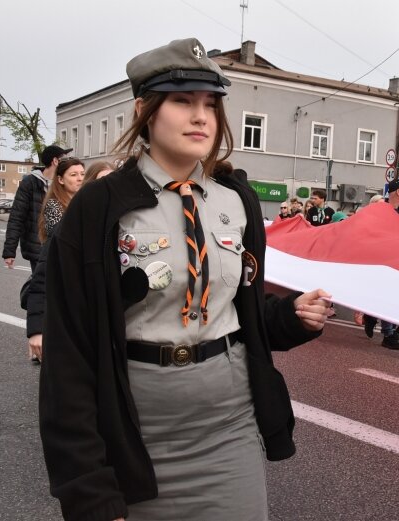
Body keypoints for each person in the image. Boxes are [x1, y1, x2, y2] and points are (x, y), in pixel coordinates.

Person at [38, 37, 332, 521]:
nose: (201, 117)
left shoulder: (236, 200)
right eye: (182, 101)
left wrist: (292, 316)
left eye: (210, 104)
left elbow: (240, 309)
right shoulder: (99, 206)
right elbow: (70, 351)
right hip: (132, 426)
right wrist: (87, 489)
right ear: (145, 110)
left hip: (227, 424)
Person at [25, 158, 85, 364]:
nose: (79, 179)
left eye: (82, 174)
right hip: (57, 268)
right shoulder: (54, 205)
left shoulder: (82, 202)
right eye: (73, 174)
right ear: (60, 179)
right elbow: (61, 243)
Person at [2, 144, 72, 272]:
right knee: (42, 286)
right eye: (65, 159)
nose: (68, 162)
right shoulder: (30, 183)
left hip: (61, 246)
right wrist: (9, 251)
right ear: (55, 161)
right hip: (38, 247)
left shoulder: (64, 183)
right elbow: (17, 217)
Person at [363, 178, 399, 349]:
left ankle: (372, 318)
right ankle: (388, 334)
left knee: (392, 296)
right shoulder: (380, 211)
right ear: (398, 192)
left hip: (396, 261)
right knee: (387, 296)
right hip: (381, 261)